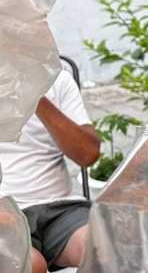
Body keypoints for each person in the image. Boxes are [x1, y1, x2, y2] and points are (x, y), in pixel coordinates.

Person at [0, 69, 100, 273]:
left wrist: (34, 95)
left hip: (61, 210)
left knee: (105, 249)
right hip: (5, 211)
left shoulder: (57, 79)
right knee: (31, 265)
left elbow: (87, 154)